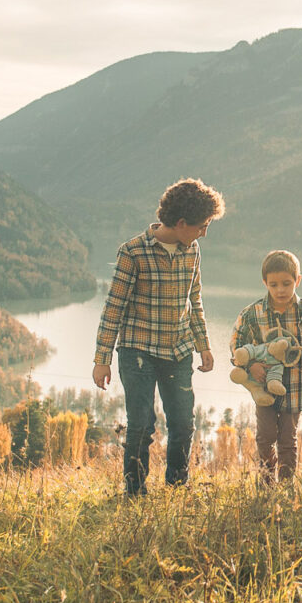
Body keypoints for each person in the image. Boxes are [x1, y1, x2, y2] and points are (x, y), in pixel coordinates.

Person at [90, 177, 223, 495]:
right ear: (180, 223)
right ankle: (134, 491)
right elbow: (113, 309)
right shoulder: (133, 253)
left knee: (183, 423)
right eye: (202, 225)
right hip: (138, 352)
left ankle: (177, 486)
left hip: (178, 351)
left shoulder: (192, 250)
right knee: (141, 425)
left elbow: (195, 300)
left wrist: (203, 345)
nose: (205, 232)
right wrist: (102, 360)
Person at [230, 250, 302, 481]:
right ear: (265, 282)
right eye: (273, 284)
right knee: (265, 436)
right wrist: (250, 366)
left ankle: (286, 486)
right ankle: (266, 483)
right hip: (263, 386)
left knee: (287, 439)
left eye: (286, 283)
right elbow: (237, 347)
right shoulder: (252, 314)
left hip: (294, 387)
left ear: (298, 280)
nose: (280, 290)